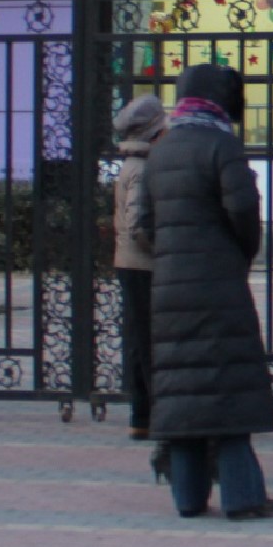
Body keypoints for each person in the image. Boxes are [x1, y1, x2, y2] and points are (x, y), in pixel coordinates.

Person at [142, 65, 273, 520]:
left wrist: (170, 255)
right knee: (227, 390)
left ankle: (187, 498)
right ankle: (243, 497)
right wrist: (237, 254)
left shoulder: (161, 149)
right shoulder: (221, 145)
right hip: (218, 284)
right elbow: (243, 210)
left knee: (183, 392)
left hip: (169, 290)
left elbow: (142, 222)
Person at [110, 95, 169, 440]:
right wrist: (161, 250)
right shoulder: (144, 168)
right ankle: (153, 412)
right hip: (142, 265)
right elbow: (139, 224)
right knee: (148, 342)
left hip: (129, 263)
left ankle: (141, 414)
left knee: (137, 339)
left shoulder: (132, 163)